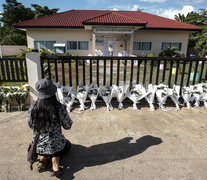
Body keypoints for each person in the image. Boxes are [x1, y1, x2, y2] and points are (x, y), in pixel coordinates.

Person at [28, 78, 73, 177]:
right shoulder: (59, 107)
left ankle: (43, 159)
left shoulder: (33, 108)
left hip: (38, 147)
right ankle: (55, 161)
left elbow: (31, 125)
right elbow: (68, 126)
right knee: (67, 144)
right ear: (53, 93)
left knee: (45, 147)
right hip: (56, 146)